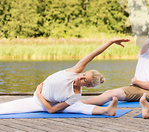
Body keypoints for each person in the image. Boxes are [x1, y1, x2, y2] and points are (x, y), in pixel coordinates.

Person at [0, 38, 129, 116]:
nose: (81, 77)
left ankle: (107, 111)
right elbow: (93, 54)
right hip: (39, 99)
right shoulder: (74, 72)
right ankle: (105, 110)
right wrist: (111, 42)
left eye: (85, 80)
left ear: (88, 85)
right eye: (83, 74)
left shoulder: (75, 95)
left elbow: (51, 110)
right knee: (4, 108)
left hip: (40, 102)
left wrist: (38, 93)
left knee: (78, 106)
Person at [83, 34, 149, 106]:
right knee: (109, 93)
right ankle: (79, 103)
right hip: (134, 89)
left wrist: (136, 81)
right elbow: (146, 43)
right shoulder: (146, 53)